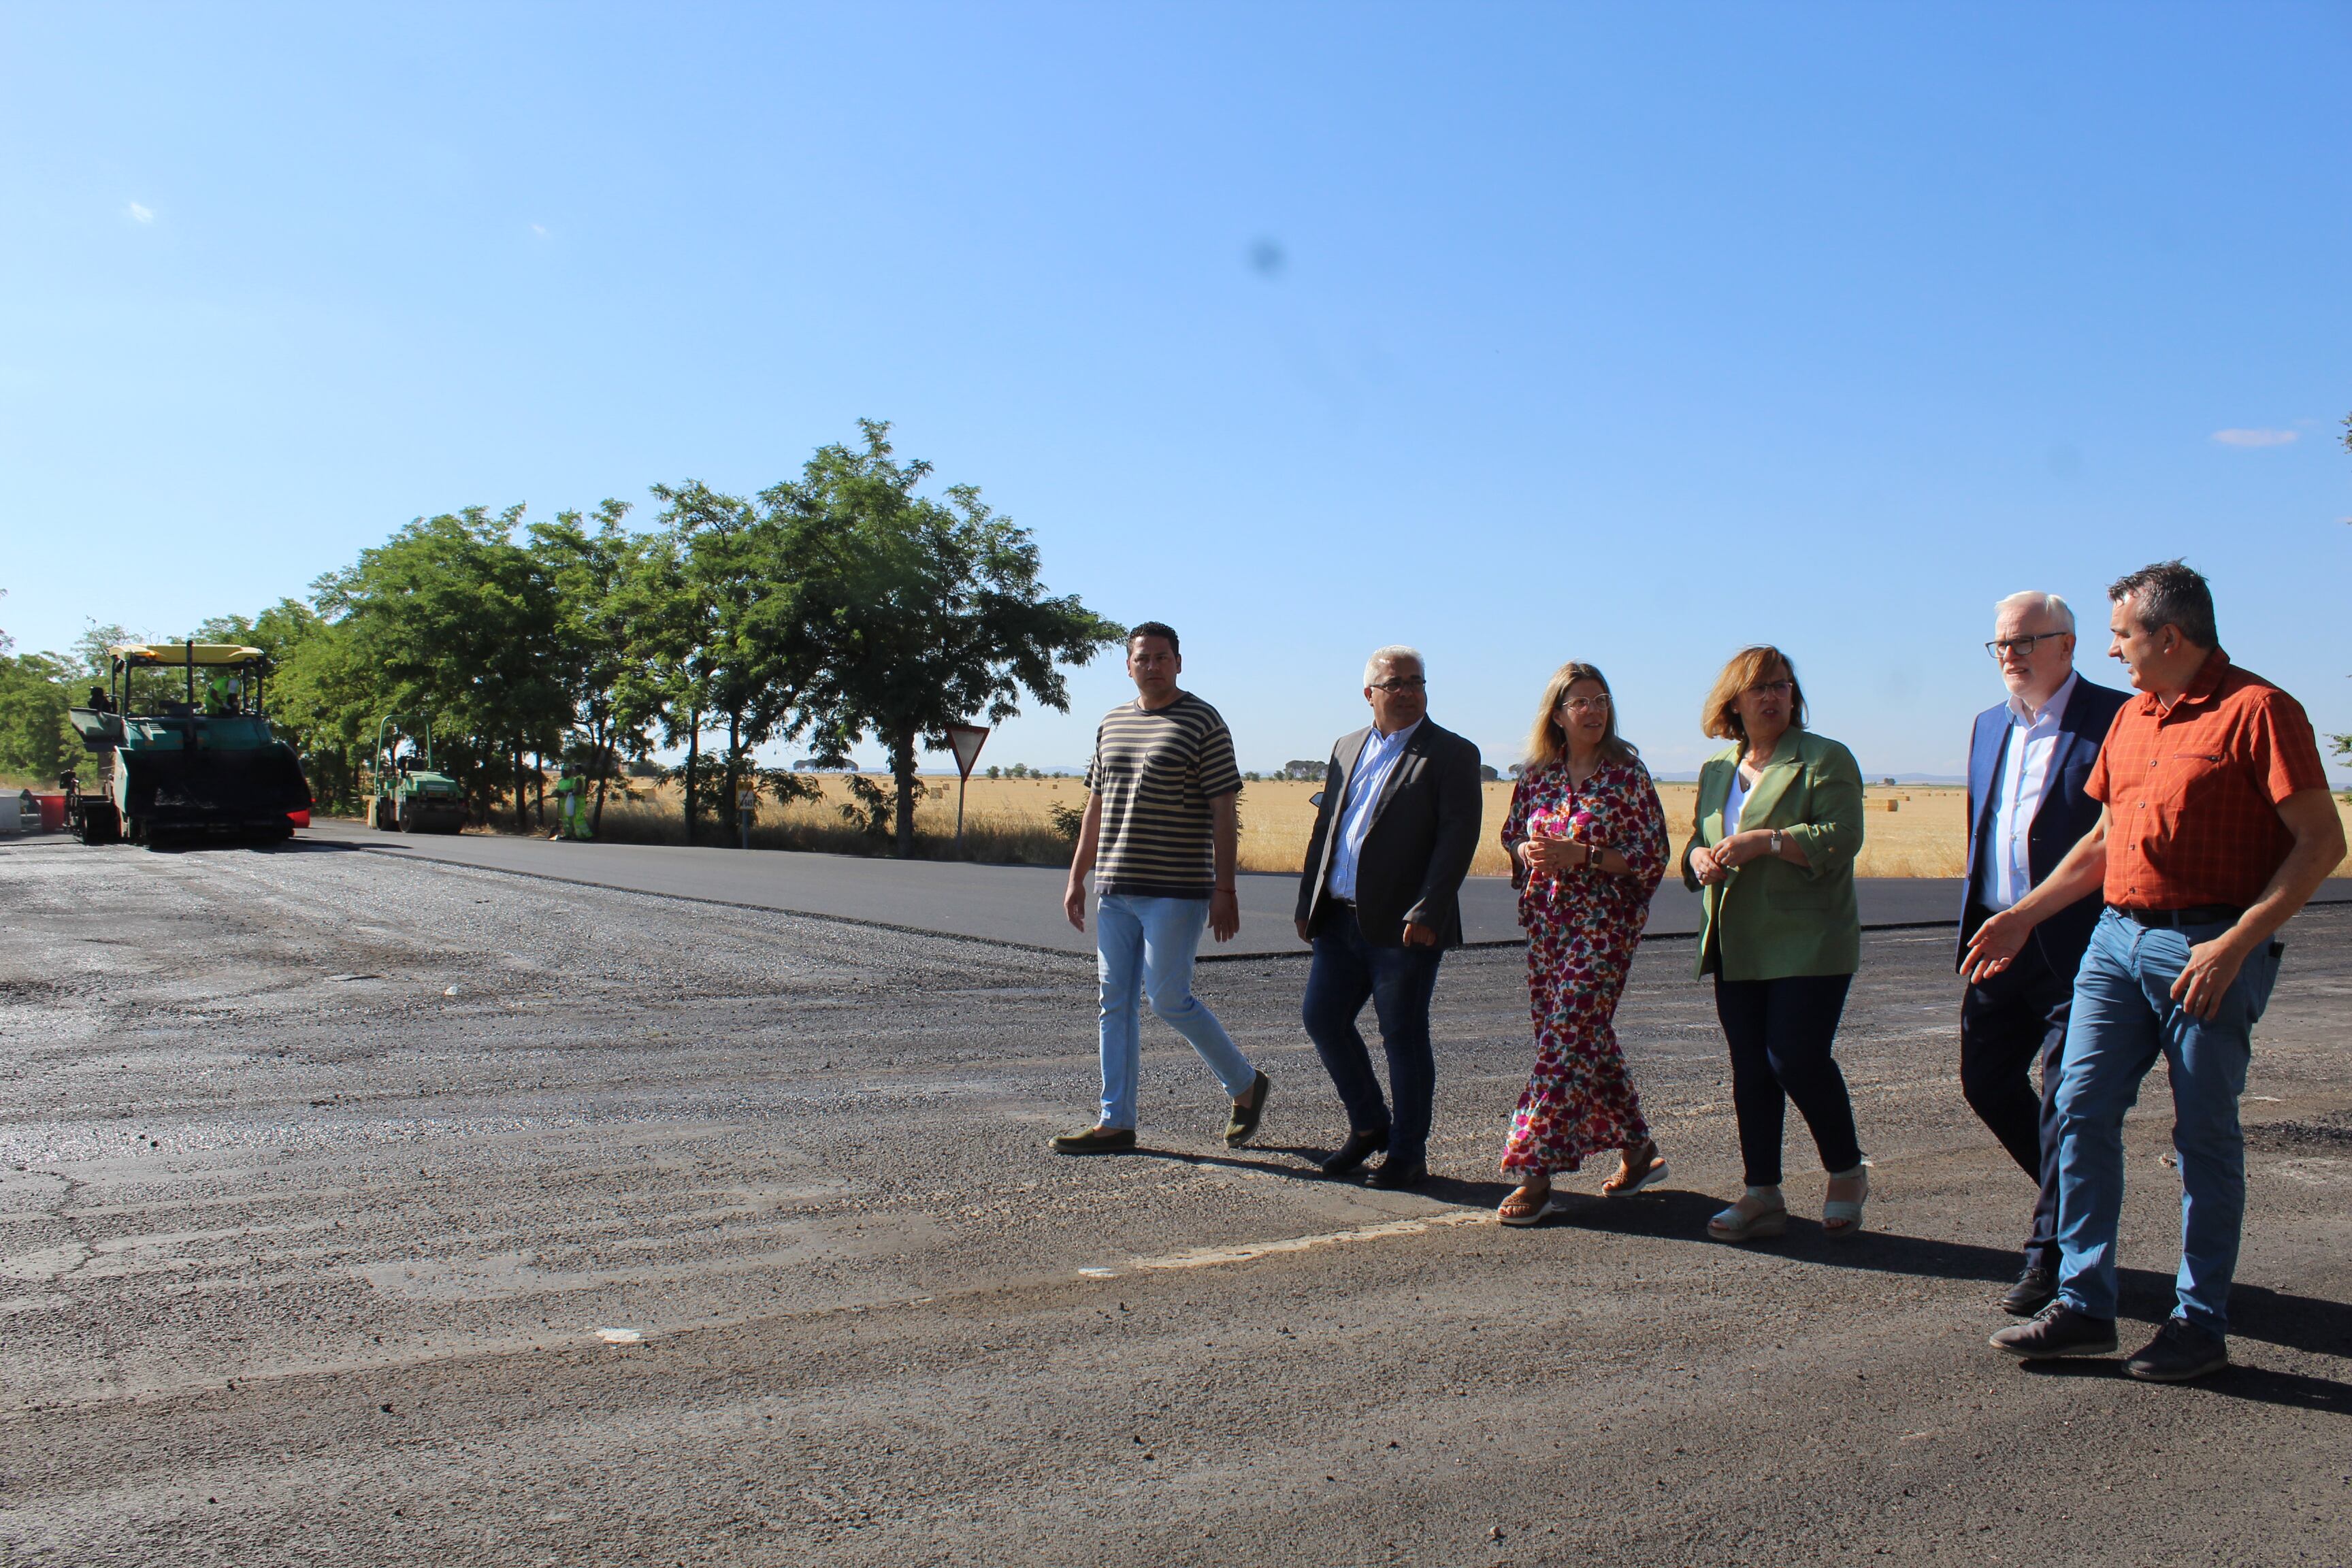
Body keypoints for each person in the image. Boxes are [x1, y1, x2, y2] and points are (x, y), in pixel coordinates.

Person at [1976, 561, 2342, 1381]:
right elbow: (2103, 841)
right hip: (2115, 940)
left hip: (2207, 951)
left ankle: (2199, 1324)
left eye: (2121, 636)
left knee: (2202, 1136)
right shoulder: (2135, 718)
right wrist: (2025, 913)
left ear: (2169, 637)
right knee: (2075, 1107)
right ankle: (2083, 1303)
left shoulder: (2261, 712)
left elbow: (2322, 844)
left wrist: (2237, 943)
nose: (2114, 653)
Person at [1958, 593, 2130, 1316]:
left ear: (2068, 644)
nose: (2011, 654)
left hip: (2077, 943)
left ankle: (2050, 1256)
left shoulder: (2116, 718)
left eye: (2027, 641)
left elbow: (2111, 840)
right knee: (1987, 1084)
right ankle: (2077, 1204)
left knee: (2067, 1104)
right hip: (2000, 939)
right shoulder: (1987, 726)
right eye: (2001, 643)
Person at [1054, 622, 1271, 1154]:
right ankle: (1115, 1122)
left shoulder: (1203, 721)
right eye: (1141, 658)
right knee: (1114, 1001)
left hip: (1177, 887)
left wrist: (1226, 889)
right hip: (1116, 886)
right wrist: (1077, 877)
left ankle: (1244, 1084)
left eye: (1161, 657)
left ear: (1179, 662)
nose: (1151, 665)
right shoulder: (1111, 722)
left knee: (1168, 999)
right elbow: (1096, 806)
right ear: (1128, 665)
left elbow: (1224, 808)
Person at [1682, 646, 1869, 1242]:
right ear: (1733, 701)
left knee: (1794, 1059)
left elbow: (1843, 836)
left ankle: (1845, 1170)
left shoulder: (1824, 758)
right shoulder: (1717, 769)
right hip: (1736, 938)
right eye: (1759, 688)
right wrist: (1695, 858)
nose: (1772, 697)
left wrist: (1766, 841)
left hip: (1809, 938)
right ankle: (1762, 1191)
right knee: (1750, 1071)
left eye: (1782, 686)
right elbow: (1697, 840)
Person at [1293, 646, 1484, 1190]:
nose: (1406, 691)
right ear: (1369, 693)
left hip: (1404, 925)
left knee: (1402, 1034)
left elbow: (1457, 838)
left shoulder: (1451, 753)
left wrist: (1430, 908)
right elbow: (1325, 830)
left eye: (1415, 681)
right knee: (1323, 1019)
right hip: (1338, 917)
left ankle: (1407, 1153)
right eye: (1394, 683)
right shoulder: (1346, 747)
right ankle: (1370, 1123)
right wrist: (1308, 902)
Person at [1492, 662, 1671, 1225]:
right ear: (1558, 715)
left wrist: (1584, 855)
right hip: (1548, 927)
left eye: (1601, 700)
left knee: (1564, 1039)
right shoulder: (1538, 776)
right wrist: (1527, 851)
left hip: (1605, 928)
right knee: (1579, 1037)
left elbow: (1651, 857)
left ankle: (1535, 1171)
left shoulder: (1627, 777)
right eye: (1581, 703)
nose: (1594, 711)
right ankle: (1639, 1151)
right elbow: (1513, 833)